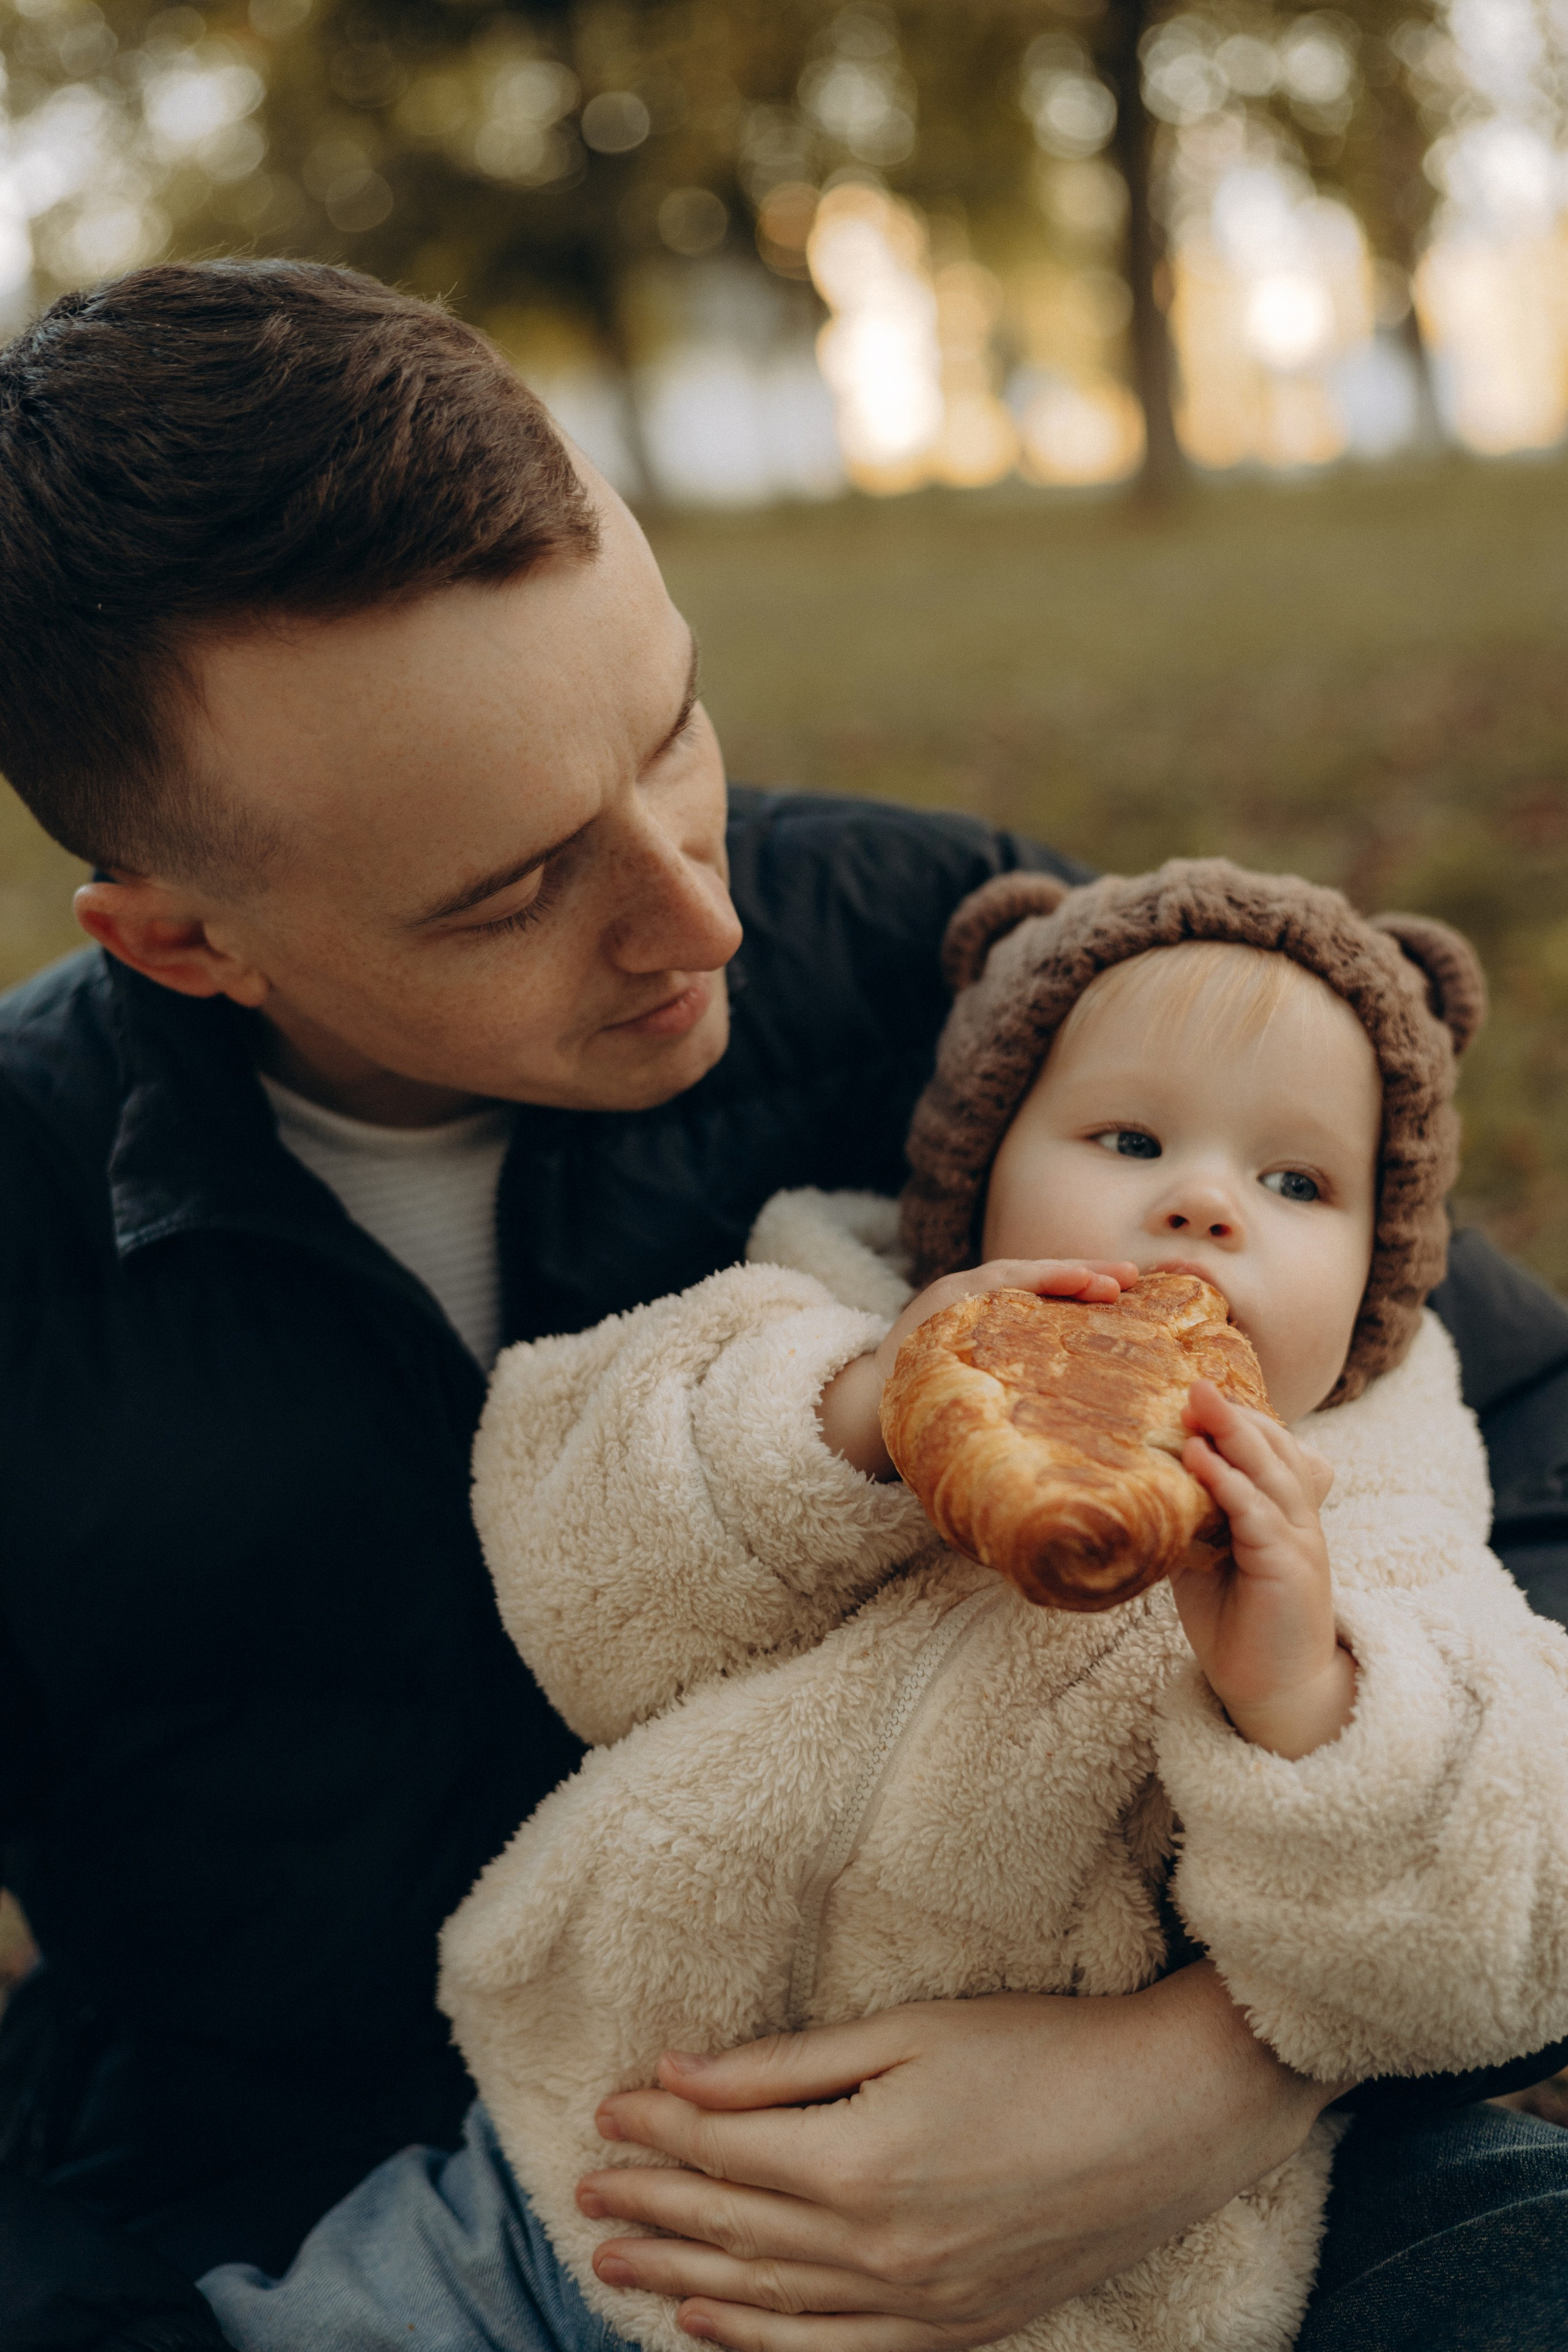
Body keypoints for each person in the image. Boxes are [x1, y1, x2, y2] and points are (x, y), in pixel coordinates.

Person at [1, 260, 1567, 2352]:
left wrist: (1209, 2076)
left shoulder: (958, 959)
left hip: (1197, 2175)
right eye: (509, 888)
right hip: (345, 2221)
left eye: (674, 730)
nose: (697, 911)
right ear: (184, 944)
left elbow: (1510, 1491)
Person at [197, 860, 1568, 2352]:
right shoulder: (812, 1342)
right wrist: (853, 1418)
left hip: (1080, 2283)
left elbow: (1492, 1921)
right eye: (1127, 1138)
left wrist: (1305, 1698)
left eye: (1295, 1183)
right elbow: (576, 1570)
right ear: (978, 1170)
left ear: (1380, 1280)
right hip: (589, 2185)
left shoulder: (1377, 1537)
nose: (1202, 1204)